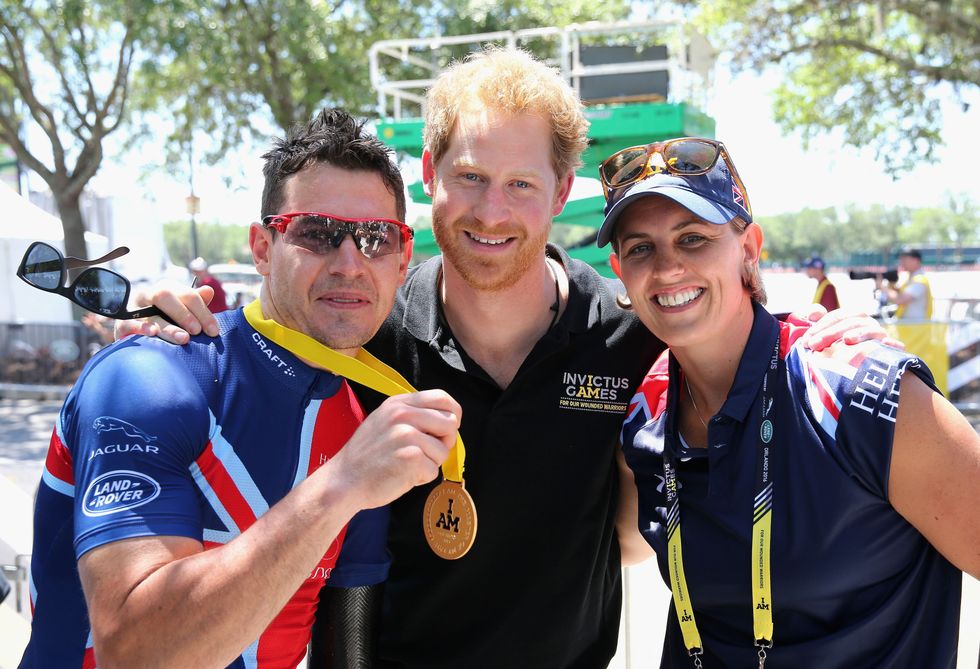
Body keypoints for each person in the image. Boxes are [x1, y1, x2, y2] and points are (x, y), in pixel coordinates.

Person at [123, 51, 894, 668]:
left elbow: (737, 327)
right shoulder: (365, 336)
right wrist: (181, 319)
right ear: (429, 175)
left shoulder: (630, 335)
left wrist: (830, 333)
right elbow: (261, 336)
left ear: (561, 191)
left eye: (521, 184)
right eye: (470, 179)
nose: (493, 212)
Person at [19, 109, 461, 669]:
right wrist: (341, 485)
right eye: (317, 233)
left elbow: (344, 649)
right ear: (261, 248)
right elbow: (135, 653)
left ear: (403, 261)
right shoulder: (151, 376)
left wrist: (352, 476)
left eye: (377, 239)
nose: (350, 263)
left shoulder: (359, 423)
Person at [597, 137, 980, 666]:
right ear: (620, 271)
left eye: (693, 238)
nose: (666, 269)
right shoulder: (646, 418)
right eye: (641, 248)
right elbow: (625, 544)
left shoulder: (859, 396)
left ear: (749, 250)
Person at [878, 247, 933, 320]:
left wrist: (882, 287)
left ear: (915, 260)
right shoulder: (908, 278)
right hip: (907, 327)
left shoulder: (920, 280)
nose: (901, 262)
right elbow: (896, 295)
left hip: (917, 328)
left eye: (904, 259)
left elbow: (900, 300)